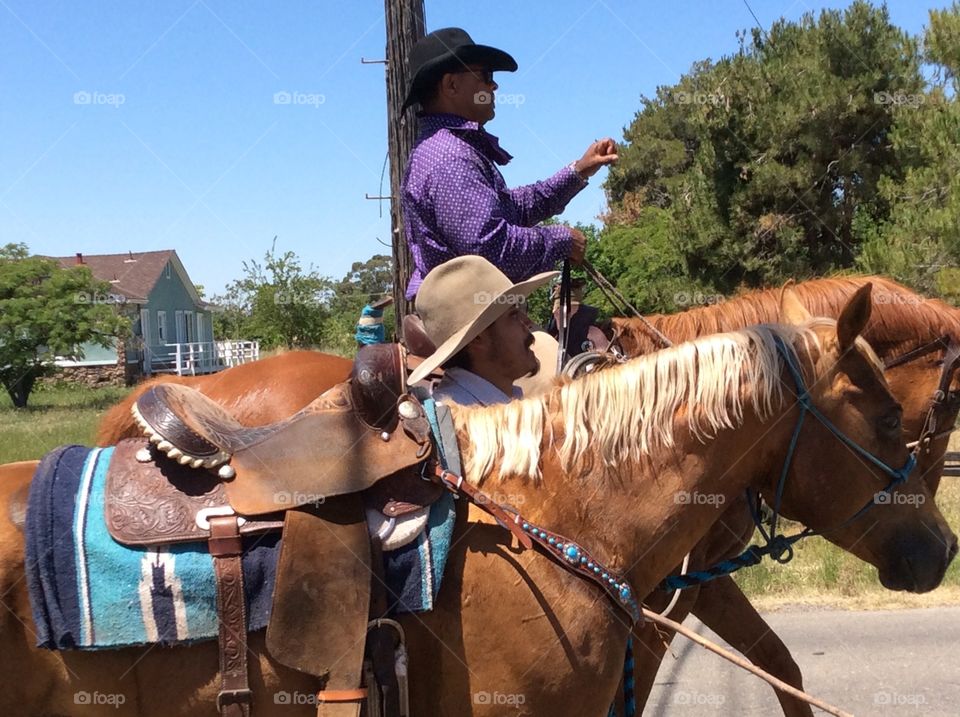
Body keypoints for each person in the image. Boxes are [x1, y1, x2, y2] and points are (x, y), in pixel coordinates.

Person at [400, 27, 617, 300]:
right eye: (485, 76)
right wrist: (561, 240)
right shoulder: (450, 158)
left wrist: (579, 171)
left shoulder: (447, 150)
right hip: (474, 327)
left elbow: (511, 208)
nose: (494, 86)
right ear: (451, 85)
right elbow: (491, 249)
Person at [407, 255, 556, 406]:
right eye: (513, 314)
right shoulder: (455, 424)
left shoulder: (482, 407)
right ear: (478, 337)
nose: (527, 322)